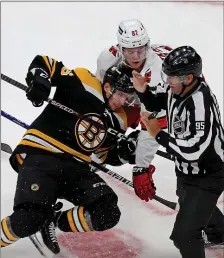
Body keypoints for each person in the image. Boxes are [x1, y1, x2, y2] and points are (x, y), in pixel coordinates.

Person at [0, 58, 145, 254]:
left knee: (107, 212)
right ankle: (39, 219)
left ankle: (53, 219)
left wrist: (126, 152)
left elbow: (102, 156)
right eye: (120, 94)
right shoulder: (84, 81)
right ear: (108, 85)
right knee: (28, 219)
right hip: (43, 156)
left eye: (128, 98)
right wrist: (40, 81)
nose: (123, 102)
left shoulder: (118, 120)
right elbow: (45, 63)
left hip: (76, 170)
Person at [133, 45, 224, 258]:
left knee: (184, 235)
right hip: (187, 171)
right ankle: (220, 234)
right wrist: (143, 90)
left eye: (172, 77)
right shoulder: (178, 89)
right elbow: (160, 100)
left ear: (189, 77)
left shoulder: (201, 104)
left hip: (209, 174)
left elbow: (194, 150)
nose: (167, 81)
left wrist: (158, 134)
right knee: (186, 200)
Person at [95, 19, 172, 201]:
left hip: (173, 96)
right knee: (109, 114)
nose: (137, 56)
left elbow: (152, 124)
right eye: (130, 51)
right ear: (121, 48)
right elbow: (100, 95)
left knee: (179, 132)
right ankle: (103, 150)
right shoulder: (107, 59)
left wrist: (141, 167)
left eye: (142, 49)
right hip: (135, 94)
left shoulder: (157, 73)